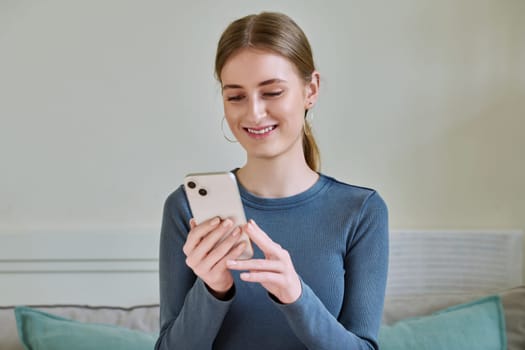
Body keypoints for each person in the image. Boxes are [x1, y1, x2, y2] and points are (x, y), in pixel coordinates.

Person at [155, 11, 388, 350]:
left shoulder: (360, 212)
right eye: (235, 96)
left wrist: (296, 296)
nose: (253, 113)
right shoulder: (185, 208)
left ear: (311, 90)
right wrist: (213, 289)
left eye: (273, 92)